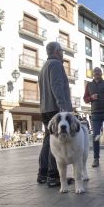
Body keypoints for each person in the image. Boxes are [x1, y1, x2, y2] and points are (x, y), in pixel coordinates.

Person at [37, 42, 73, 187]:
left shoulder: (44, 67)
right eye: (62, 51)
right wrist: (63, 108)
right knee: (55, 142)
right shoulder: (56, 65)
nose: (63, 53)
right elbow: (56, 86)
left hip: (45, 109)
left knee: (47, 141)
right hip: (56, 109)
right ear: (57, 51)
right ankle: (54, 176)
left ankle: (42, 174)